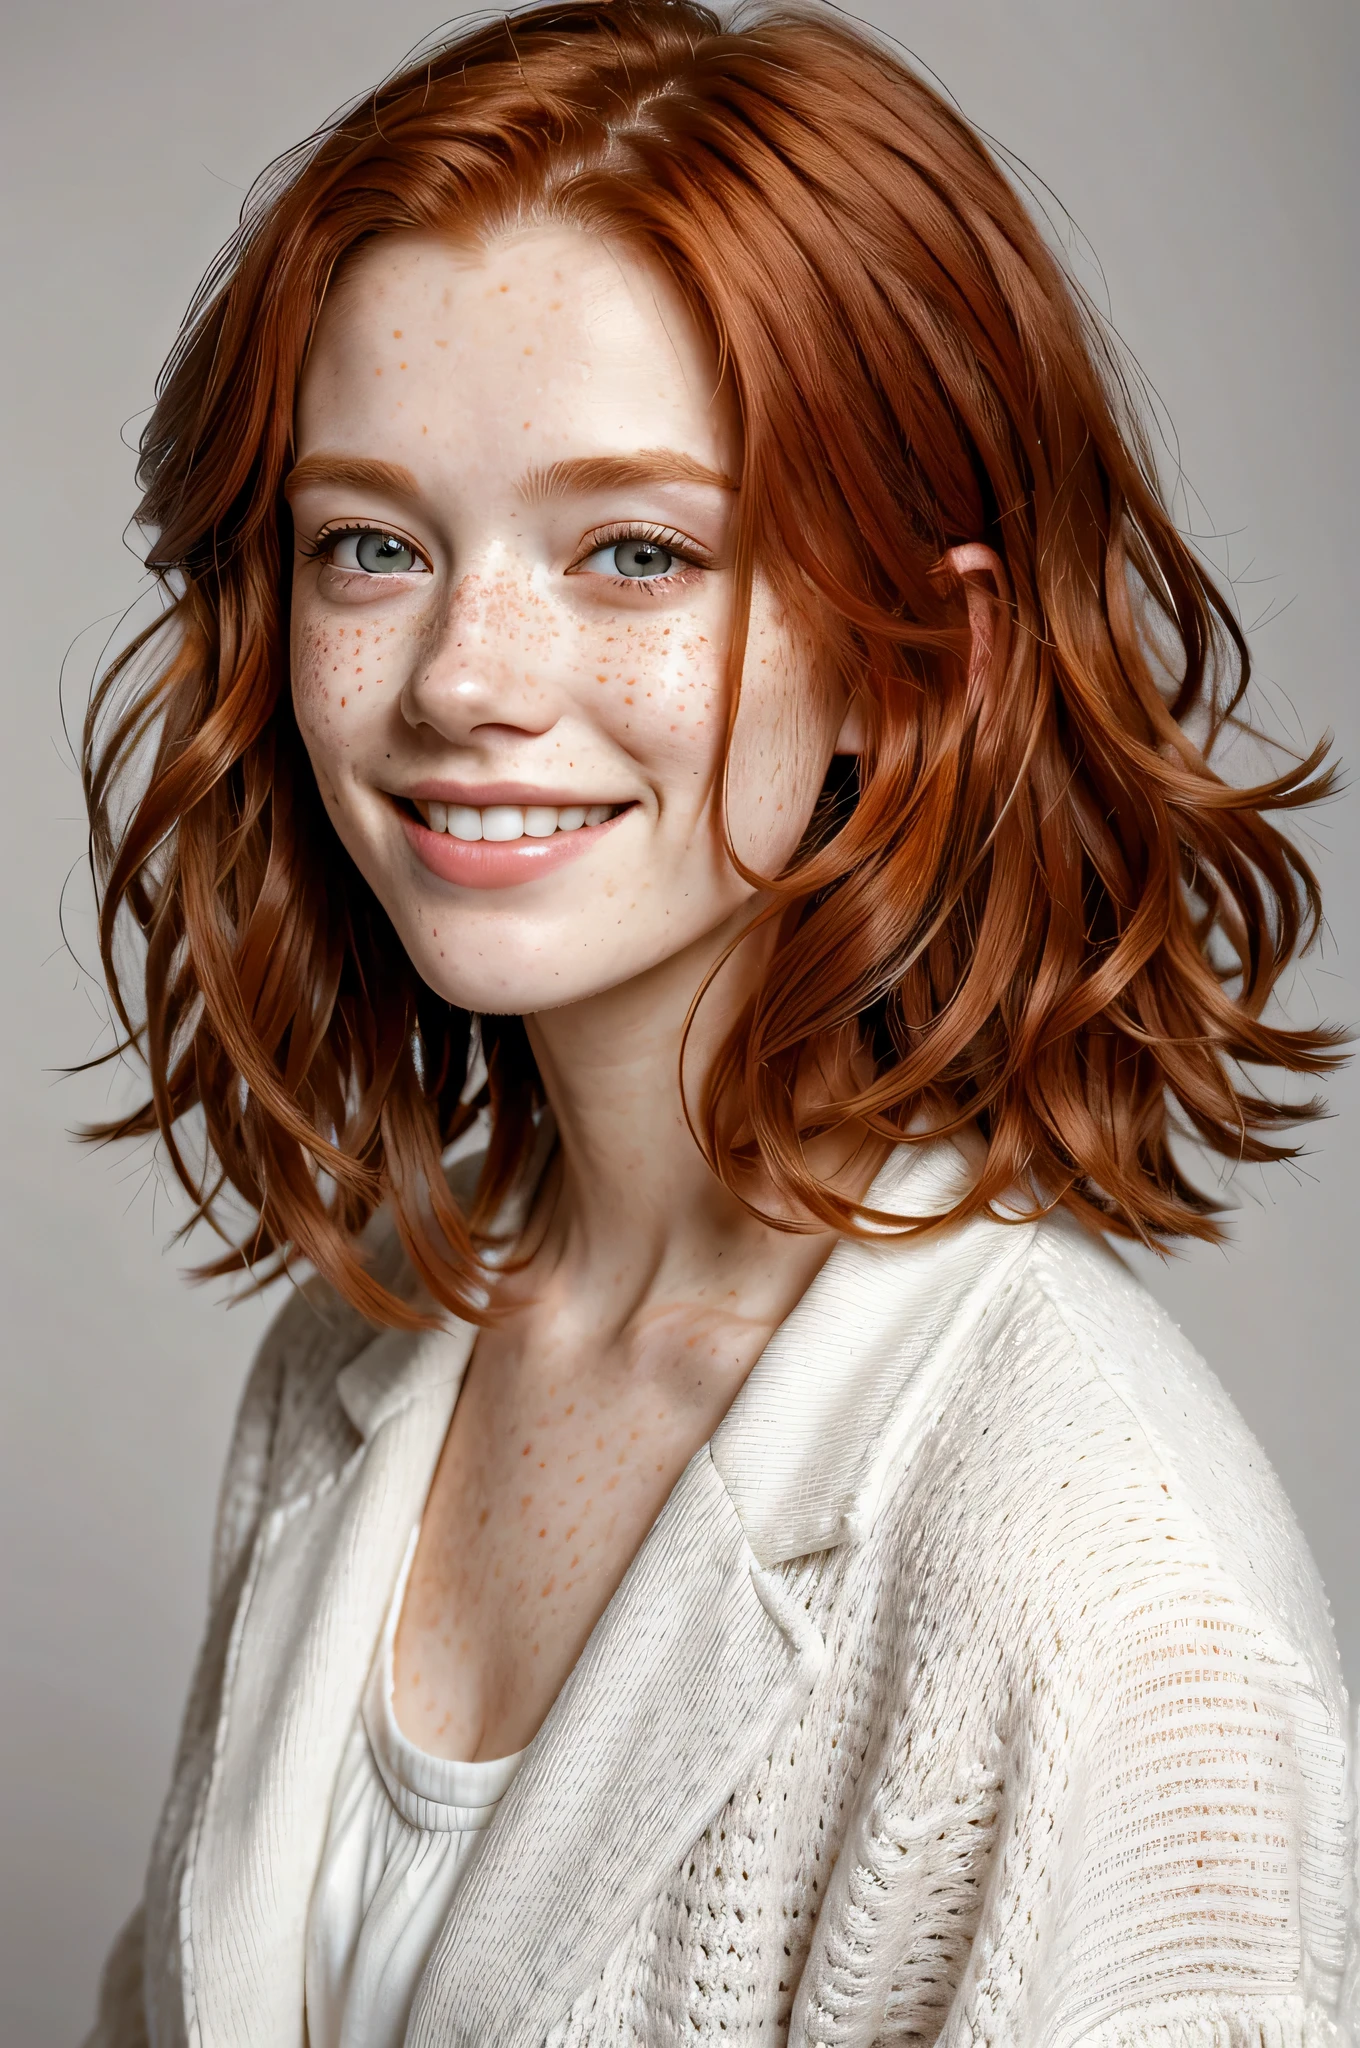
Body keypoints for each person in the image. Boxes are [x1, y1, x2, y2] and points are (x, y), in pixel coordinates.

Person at [82, 2, 1356, 2042]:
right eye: (371, 545)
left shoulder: (1101, 1586)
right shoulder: (356, 1342)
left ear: (909, 658)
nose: (462, 681)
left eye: (633, 551)